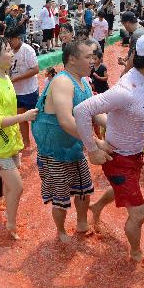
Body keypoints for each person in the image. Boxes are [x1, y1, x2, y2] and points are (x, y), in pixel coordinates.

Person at [75, 31, 144, 262]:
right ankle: (135, 253)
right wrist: (93, 149)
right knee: (138, 214)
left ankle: (95, 208)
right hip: (118, 159)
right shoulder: (126, 91)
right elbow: (81, 110)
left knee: (125, 189)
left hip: (137, 152)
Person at [31, 39, 100, 243]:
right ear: (72, 58)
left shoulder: (83, 81)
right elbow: (66, 120)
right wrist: (95, 142)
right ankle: (60, 231)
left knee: (83, 188)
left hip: (74, 145)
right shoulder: (62, 81)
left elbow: (93, 113)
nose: (93, 60)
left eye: (93, 56)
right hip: (54, 149)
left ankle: (81, 223)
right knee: (60, 198)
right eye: (88, 56)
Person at [0, 37, 39, 240]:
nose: (12, 53)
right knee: (18, 186)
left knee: (9, 186)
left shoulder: (6, 77)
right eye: (7, 50)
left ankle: (6, 213)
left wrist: (18, 146)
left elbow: (8, 110)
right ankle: (11, 224)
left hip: (10, 142)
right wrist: (24, 117)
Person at [6, 26, 39, 151]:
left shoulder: (27, 50)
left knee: (35, 118)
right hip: (16, 92)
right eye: (8, 40)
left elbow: (35, 69)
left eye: (11, 40)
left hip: (30, 90)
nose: (9, 43)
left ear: (18, 38)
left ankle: (39, 143)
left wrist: (17, 78)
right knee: (21, 118)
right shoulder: (9, 51)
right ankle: (26, 143)